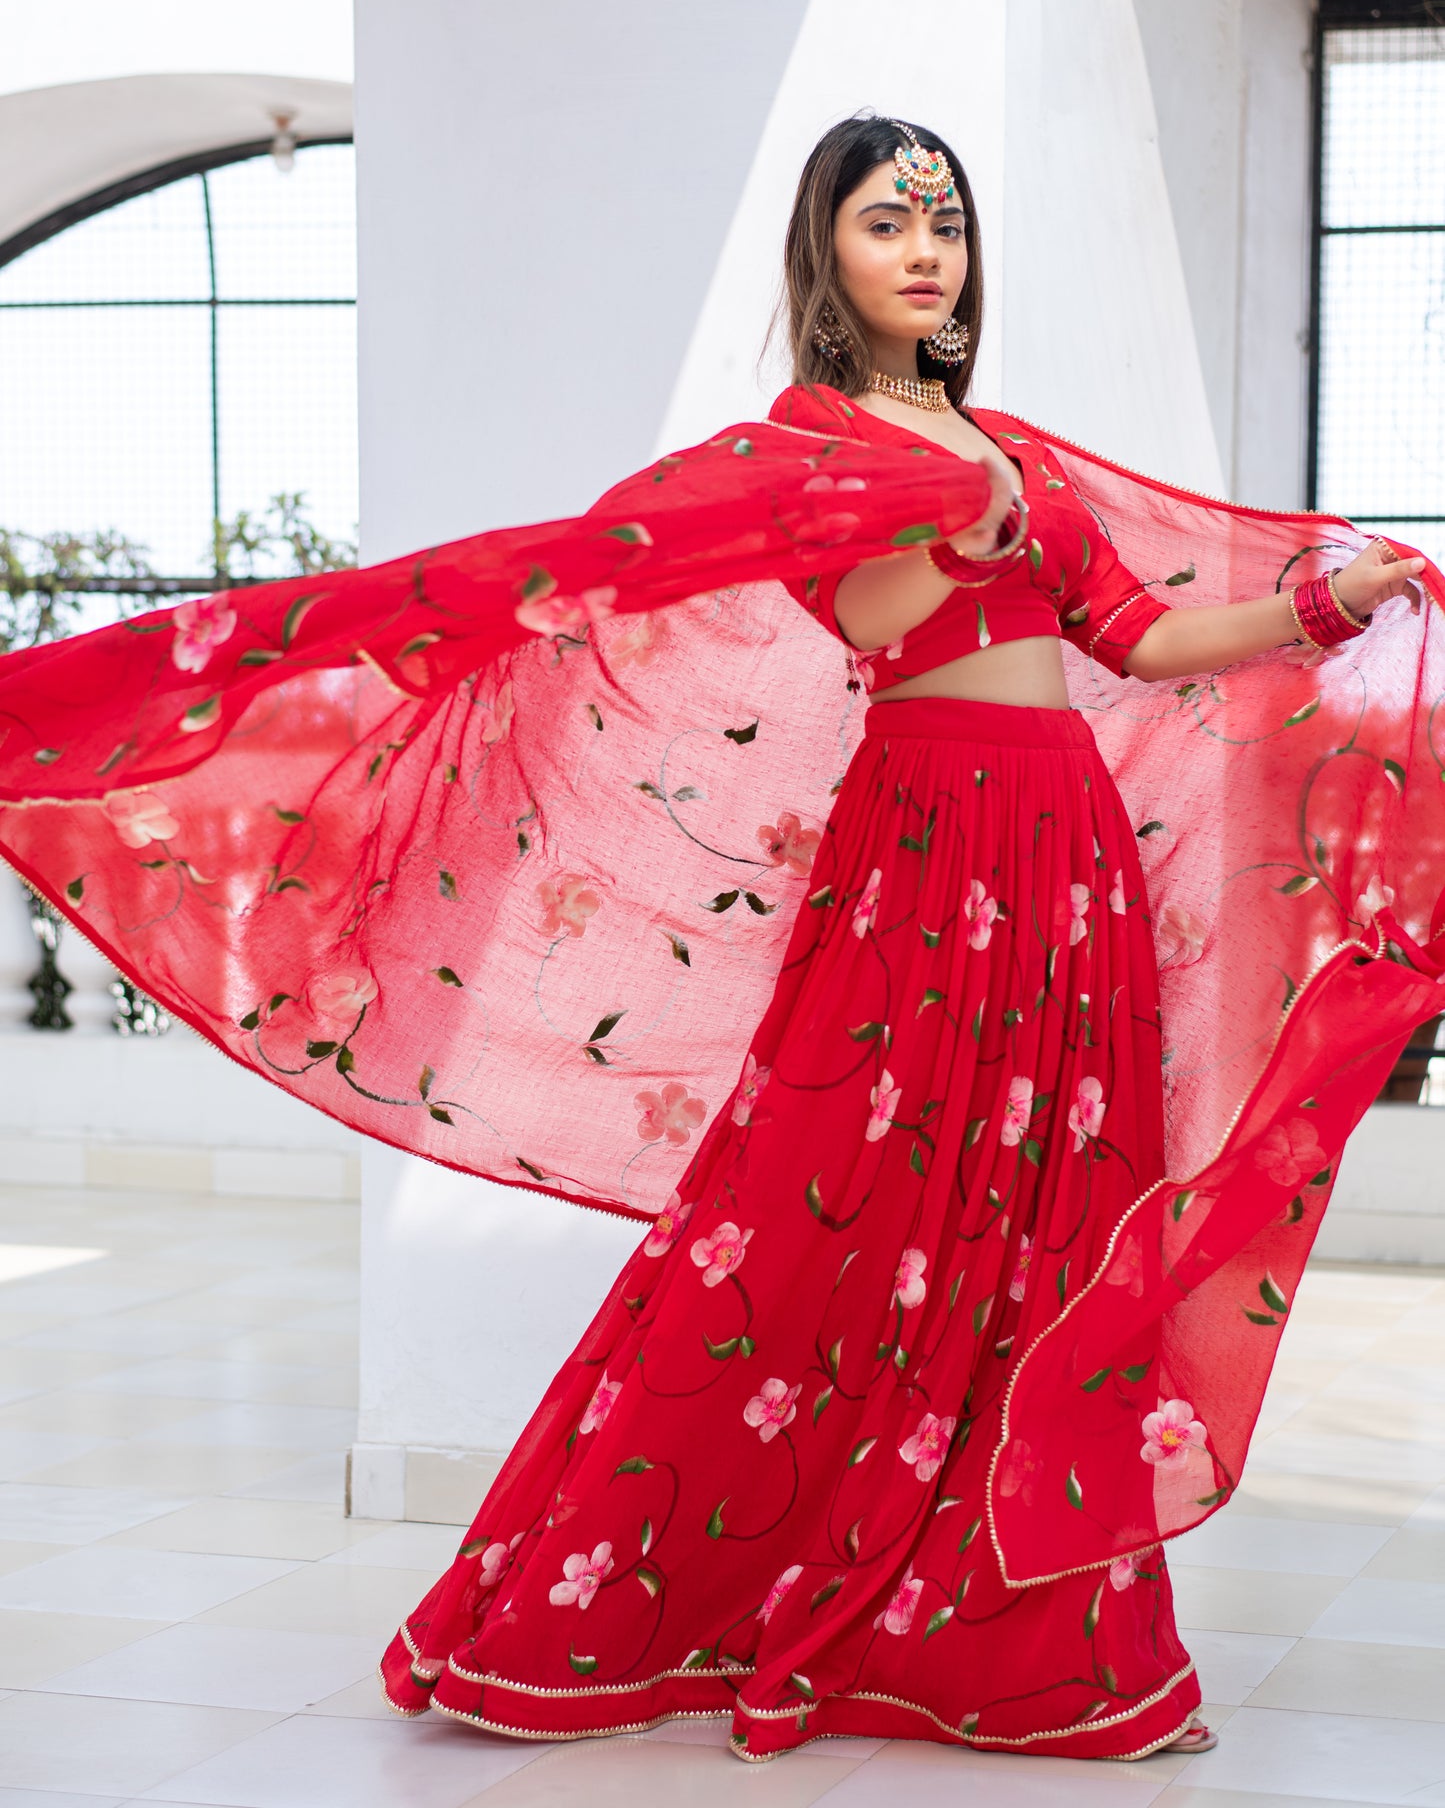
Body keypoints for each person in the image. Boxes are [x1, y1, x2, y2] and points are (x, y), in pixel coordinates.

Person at [0, 115, 1437, 1766]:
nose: (925, 248)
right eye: (886, 219)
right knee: (818, 1209)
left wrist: (1327, 601)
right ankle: (602, 1601)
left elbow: (1140, 634)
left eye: (945, 221)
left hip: (1067, 861)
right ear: (824, 251)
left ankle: (1028, 1636)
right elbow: (873, 621)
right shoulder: (804, 450)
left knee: (1047, 1221)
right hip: (927, 847)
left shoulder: (1017, 455)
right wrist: (943, 523)